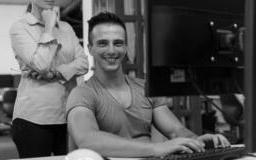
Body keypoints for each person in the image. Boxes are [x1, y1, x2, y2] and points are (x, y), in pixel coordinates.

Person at [66, 12, 230, 158]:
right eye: (102, 43)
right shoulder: (82, 93)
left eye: (118, 43)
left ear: (126, 47)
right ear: (90, 48)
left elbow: (175, 130)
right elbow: (87, 140)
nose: (111, 51)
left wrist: (195, 140)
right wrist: (158, 148)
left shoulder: (144, 88)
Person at [9, 0, 88, 158]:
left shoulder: (67, 28)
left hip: (68, 113)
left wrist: (55, 73)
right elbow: (42, 63)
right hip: (33, 118)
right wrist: (50, 27)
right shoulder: (19, 28)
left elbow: (83, 63)